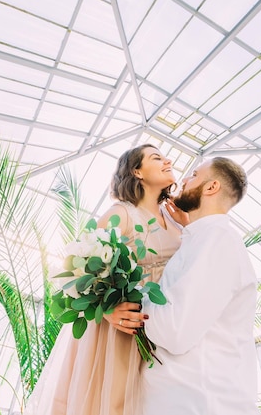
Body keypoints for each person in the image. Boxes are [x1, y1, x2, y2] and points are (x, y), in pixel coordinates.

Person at [26, 144, 185, 415]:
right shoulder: (122, 213)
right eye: (157, 157)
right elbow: (74, 271)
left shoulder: (177, 220)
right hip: (121, 334)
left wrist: (189, 227)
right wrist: (109, 311)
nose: (168, 160)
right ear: (137, 171)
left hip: (163, 330)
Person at [138, 156, 260, 415]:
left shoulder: (218, 241)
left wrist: (136, 296)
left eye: (193, 175)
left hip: (198, 401)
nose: (183, 179)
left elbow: (175, 331)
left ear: (211, 187)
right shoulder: (200, 240)